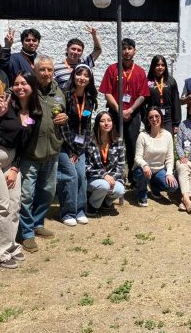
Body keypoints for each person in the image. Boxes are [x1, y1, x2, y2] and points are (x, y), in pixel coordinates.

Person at [0, 72, 40, 268]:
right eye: (16, 84)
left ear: (32, 86)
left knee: (15, 204)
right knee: (0, 206)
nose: (19, 87)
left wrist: (15, 167)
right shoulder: (6, 105)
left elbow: (26, 144)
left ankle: (10, 246)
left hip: (12, 162)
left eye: (24, 83)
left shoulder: (36, 112)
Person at [19, 55, 66, 253]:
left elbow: (63, 112)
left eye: (49, 69)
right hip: (30, 152)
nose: (46, 73)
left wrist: (64, 117)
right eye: (42, 69)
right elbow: (13, 99)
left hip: (52, 151)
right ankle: (26, 233)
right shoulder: (27, 88)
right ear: (35, 71)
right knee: (26, 195)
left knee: (47, 192)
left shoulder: (58, 91)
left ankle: (38, 223)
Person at [99, 38, 150, 181]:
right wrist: (119, 110)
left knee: (133, 145)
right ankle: (112, 175)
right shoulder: (112, 69)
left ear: (135, 51)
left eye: (129, 48)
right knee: (112, 143)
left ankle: (134, 178)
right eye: (124, 48)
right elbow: (107, 92)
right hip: (115, 114)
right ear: (120, 51)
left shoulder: (140, 71)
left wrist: (130, 110)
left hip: (133, 115)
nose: (126, 51)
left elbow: (142, 95)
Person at [58, 64, 97, 226]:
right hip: (63, 143)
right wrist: (71, 150)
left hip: (79, 145)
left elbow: (86, 124)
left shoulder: (89, 98)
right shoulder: (64, 95)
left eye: (86, 75)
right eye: (79, 74)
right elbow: (62, 124)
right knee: (71, 176)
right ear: (73, 75)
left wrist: (79, 149)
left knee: (81, 175)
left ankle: (80, 210)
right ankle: (67, 212)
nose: (82, 78)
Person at [133, 106, 179, 207]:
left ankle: (154, 187)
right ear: (148, 120)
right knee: (142, 172)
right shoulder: (143, 136)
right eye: (151, 117)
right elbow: (137, 157)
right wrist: (145, 165)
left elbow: (170, 158)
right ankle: (142, 193)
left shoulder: (167, 135)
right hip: (142, 170)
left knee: (173, 187)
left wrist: (169, 173)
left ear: (161, 117)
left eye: (157, 116)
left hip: (159, 170)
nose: (154, 119)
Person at [85, 110, 126, 212]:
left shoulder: (118, 141)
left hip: (112, 178)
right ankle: (92, 205)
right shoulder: (89, 140)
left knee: (120, 190)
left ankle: (105, 202)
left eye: (109, 120)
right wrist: (104, 175)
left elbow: (121, 166)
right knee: (104, 185)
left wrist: (112, 178)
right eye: (102, 121)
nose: (106, 123)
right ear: (97, 124)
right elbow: (86, 166)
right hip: (93, 178)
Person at [144, 55, 181, 134]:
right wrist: (145, 119)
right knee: (153, 139)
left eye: (163, 65)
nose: (160, 67)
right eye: (157, 65)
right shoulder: (147, 81)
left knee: (167, 138)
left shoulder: (171, 81)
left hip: (167, 117)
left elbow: (176, 102)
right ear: (153, 66)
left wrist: (176, 123)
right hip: (153, 116)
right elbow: (143, 103)